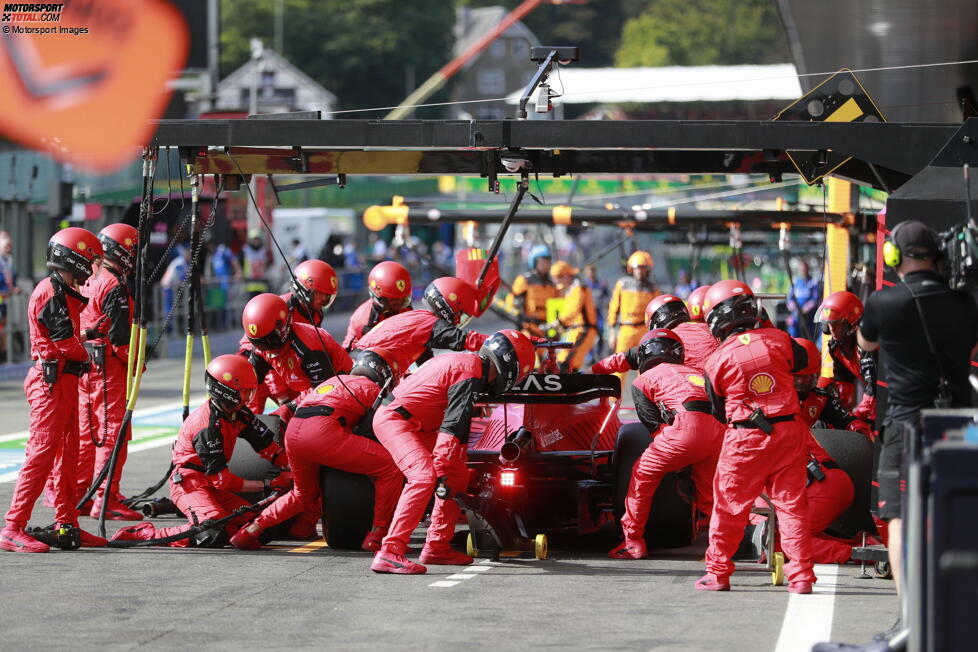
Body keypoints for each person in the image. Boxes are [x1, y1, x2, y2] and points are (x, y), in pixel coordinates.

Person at [857, 220, 978, 601]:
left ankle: (912, 615)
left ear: (893, 256)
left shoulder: (884, 302)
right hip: (960, 426)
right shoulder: (965, 303)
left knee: (900, 520)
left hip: (905, 428)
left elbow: (866, 342)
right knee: (957, 517)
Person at [370, 329, 536, 574]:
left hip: (414, 422)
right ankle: (390, 552)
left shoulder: (467, 364)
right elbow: (451, 430)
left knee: (456, 473)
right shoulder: (469, 373)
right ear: (510, 368)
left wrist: (457, 473)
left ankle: (437, 546)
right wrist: (442, 471)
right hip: (398, 421)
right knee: (424, 477)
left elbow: (456, 437)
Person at [698, 279, 816, 593]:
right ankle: (802, 575)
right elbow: (802, 361)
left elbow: (718, 410)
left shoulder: (716, 360)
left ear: (716, 319)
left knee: (728, 506)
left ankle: (719, 573)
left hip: (745, 439)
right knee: (792, 505)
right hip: (788, 431)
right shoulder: (780, 339)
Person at [230, 348, 403, 552]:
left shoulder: (332, 381)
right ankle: (378, 535)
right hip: (322, 433)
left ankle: (250, 531)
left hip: (294, 433)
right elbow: (380, 429)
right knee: (391, 467)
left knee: (302, 494)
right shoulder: (373, 391)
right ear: (384, 373)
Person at [1, 227, 107, 553]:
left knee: (68, 457)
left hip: (64, 383)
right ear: (72, 257)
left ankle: (67, 524)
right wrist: (86, 354)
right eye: (89, 260)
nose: (91, 267)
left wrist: (86, 337)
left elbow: (67, 337)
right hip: (51, 385)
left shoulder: (61, 291)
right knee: (41, 456)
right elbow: (63, 343)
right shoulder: (52, 292)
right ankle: (12, 527)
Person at [111, 355, 291, 548]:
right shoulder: (206, 427)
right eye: (245, 392)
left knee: (264, 526)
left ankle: (213, 518)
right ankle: (147, 533)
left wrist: (293, 471)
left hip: (213, 484)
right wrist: (267, 484)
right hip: (190, 482)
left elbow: (271, 450)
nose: (248, 398)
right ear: (227, 392)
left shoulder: (240, 414)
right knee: (211, 533)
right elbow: (223, 480)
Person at [749, 338, 874, 565]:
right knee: (794, 533)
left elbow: (849, 420)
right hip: (812, 479)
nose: (804, 381)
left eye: (808, 376)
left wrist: (863, 433)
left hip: (816, 480)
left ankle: (860, 554)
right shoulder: (773, 405)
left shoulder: (809, 401)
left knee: (779, 543)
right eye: (799, 376)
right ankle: (863, 546)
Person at [608, 329, 725, 560]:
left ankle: (632, 541)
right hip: (718, 431)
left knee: (642, 472)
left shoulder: (643, 380)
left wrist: (680, 466)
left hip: (684, 428)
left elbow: (654, 427)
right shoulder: (699, 373)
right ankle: (722, 549)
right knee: (711, 494)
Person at [74, 224, 143, 520]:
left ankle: (81, 494)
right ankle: (106, 497)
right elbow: (120, 341)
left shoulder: (89, 278)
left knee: (88, 434)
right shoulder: (114, 285)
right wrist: (138, 363)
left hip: (86, 366)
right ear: (123, 252)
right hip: (110, 369)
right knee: (114, 433)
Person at [353, 277, 487, 377]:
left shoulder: (419, 319)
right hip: (365, 369)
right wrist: (500, 340)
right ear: (451, 307)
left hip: (362, 364)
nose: (460, 320)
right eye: (461, 315)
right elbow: (464, 339)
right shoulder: (427, 323)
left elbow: (428, 365)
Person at [241, 293, 352, 412]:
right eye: (259, 343)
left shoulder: (309, 347)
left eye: (270, 339)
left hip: (341, 388)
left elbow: (323, 392)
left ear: (284, 326)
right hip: (306, 388)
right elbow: (250, 380)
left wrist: (288, 407)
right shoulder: (262, 347)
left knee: (298, 426)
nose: (267, 347)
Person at [590, 293, 717, 374]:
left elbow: (622, 359)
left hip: (689, 399)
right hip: (720, 397)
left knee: (643, 383)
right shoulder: (710, 329)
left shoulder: (662, 341)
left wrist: (591, 371)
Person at [815, 290, 876, 419]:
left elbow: (873, 387)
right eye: (829, 324)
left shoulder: (867, 345)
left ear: (851, 323)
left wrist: (858, 415)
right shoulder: (835, 347)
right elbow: (843, 382)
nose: (831, 329)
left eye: (836, 323)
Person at [607, 250, 661, 379]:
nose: (639, 271)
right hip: (626, 329)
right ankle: (613, 397)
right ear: (631, 268)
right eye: (637, 268)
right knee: (619, 365)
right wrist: (612, 332)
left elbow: (657, 311)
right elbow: (614, 308)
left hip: (644, 330)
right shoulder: (622, 284)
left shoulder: (653, 288)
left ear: (647, 269)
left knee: (645, 366)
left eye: (642, 268)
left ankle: (643, 397)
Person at [343, 261, 413, 351]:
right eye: (392, 298)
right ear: (379, 297)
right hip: (361, 354)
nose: (399, 302)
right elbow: (363, 351)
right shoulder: (364, 320)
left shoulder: (405, 306)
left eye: (402, 297)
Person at [547, 261, 597, 372]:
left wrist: (559, 321)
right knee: (561, 363)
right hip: (575, 331)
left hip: (583, 331)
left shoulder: (578, 289)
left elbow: (573, 310)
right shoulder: (571, 289)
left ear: (565, 276)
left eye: (557, 278)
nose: (556, 283)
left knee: (567, 364)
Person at [507, 244, 559, 339]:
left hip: (549, 330)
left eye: (548, 261)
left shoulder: (553, 284)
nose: (546, 264)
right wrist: (519, 314)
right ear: (534, 262)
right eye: (543, 261)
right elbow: (511, 302)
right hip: (529, 328)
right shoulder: (524, 280)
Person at [281, 259, 338, 328]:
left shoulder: (318, 314)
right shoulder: (282, 307)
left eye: (327, 295)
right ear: (304, 289)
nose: (324, 298)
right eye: (319, 293)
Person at [787, 260, 821, 338]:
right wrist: (793, 307)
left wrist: (806, 308)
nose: (803, 271)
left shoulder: (813, 282)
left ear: (808, 269)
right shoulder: (796, 282)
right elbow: (789, 299)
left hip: (809, 319)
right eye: (802, 269)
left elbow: (815, 300)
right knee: (794, 338)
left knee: (809, 338)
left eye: (805, 268)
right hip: (796, 317)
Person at [242, 229, 272, 298]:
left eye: (258, 239)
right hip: (250, 284)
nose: (256, 241)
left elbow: (269, 263)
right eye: (254, 239)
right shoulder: (245, 251)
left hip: (263, 284)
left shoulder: (264, 251)